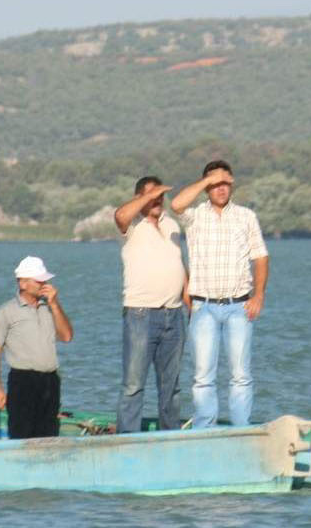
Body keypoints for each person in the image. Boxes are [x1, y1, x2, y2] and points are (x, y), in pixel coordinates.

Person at [170, 160, 270, 428]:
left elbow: (260, 256)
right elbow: (176, 204)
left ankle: (241, 429)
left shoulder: (246, 217)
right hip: (203, 308)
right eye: (215, 184)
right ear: (206, 187)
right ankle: (205, 429)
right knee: (203, 376)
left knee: (241, 375)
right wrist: (208, 179)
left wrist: (258, 296)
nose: (221, 188)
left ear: (233, 184)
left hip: (239, 306)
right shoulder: (194, 216)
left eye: (226, 182)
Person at [112, 175, 189, 433]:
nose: (157, 199)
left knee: (171, 386)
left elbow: (179, 267)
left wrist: (190, 306)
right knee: (134, 384)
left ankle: (170, 435)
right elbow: (120, 215)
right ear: (139, 198)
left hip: (174, 315)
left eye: (160, 195)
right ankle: (127, 438)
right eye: (151, 195)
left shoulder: (172, 226)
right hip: (141, 316)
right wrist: (148, 195)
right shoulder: (131, 225)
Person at [0, 256, 75, 439]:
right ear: (23, 283)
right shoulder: (6, 312)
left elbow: (66, 336)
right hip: (23, 381)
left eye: (45, 280)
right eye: (39, 280)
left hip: (50, 381)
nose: (44, 283)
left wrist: (55, 304)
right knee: (22, 435)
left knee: (48, 436)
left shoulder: (49, 308)